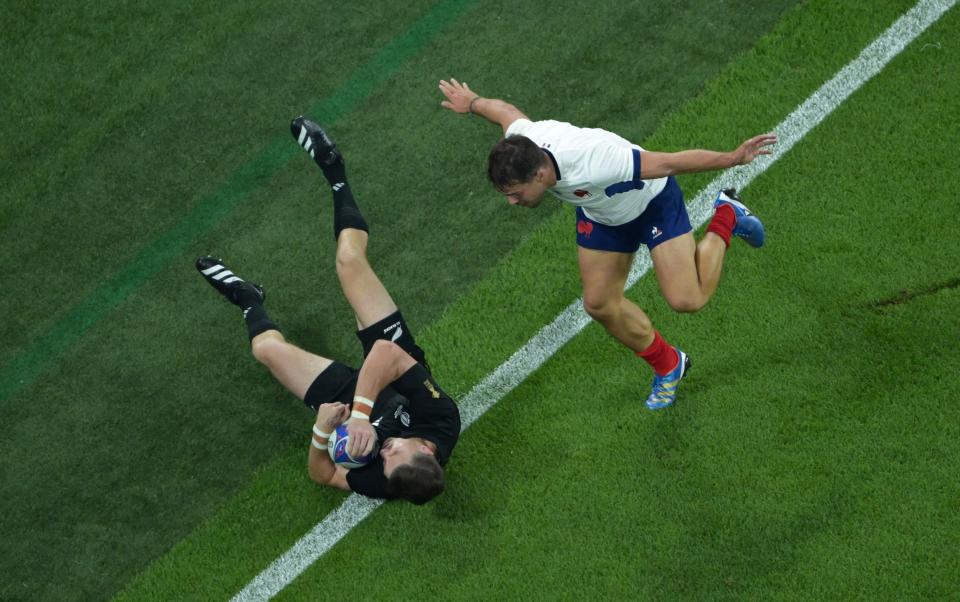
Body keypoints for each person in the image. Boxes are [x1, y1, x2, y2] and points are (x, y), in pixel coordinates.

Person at [438, 78, 776, 410]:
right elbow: (507, 112)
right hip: (603, 216)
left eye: (515, 194)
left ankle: (727, 214)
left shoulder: (595, 161)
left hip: (652, 206)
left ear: (539, 176)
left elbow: (670, 162)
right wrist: (472, 103)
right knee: (598, 303)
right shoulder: (524, 142)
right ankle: (669, 364)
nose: (512, 202)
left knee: (687, 299)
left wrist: (731, 158)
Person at [195, 116, 460, 504]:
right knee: (349, 261)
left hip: (347, 399)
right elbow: (386, 354)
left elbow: (324, 475)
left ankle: (248, 297)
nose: (384, 452)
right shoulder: (441, 420)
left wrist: (321, 433)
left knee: (265, 351)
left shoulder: (388, 482)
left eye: (383, 460)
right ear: (426, 450)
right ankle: (334, 170)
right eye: (393, 451)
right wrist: (361, 418)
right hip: (394, 371)